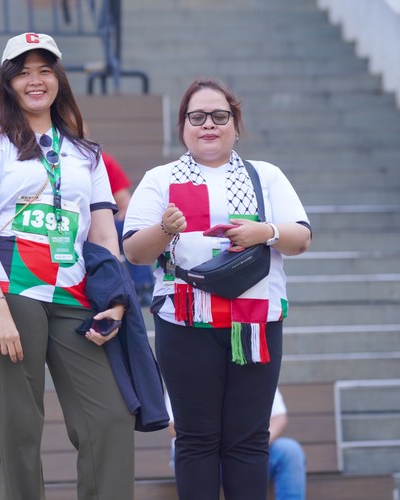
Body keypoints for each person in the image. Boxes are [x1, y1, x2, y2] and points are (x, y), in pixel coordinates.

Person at [0, 32, 141, 500]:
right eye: (23, 72)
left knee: (110, 417)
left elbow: (104, 236)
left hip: (74, 295)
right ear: (8, 82)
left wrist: (116, 299)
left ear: (58, 78)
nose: (35, 80)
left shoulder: (86, 153)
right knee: (19, 425)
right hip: (10, 289)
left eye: (44, 70)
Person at [122, 77, 312, 499]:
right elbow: (133, 251)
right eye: (197, 117)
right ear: (183, 127)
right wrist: (163, 230)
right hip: (184, 323)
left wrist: (264, 232)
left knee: (249, 440)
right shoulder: (160, 179)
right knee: (195, 440)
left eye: (219, 116)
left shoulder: (266, 176)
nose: (208, 124)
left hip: (255, 325)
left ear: (236, 125)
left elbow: (301, 238)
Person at [166, 387, 307, 500]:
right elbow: (174, 427)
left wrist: (252, 442)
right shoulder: (187, 372)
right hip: (202, 453)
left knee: (290, 450)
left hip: (250, 449)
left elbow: (279, 417)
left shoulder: (254, 369)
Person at [102, 151, 155, 306]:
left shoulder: (101, 159)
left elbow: (125, 204)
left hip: (100, 226)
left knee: (130, 230)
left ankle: (144, 286)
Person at [269, 388, 307, 500]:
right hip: (222, 457)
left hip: (255, 449)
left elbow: (278, 417)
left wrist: (255, 445)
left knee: (290, 451)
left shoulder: (260, 378)